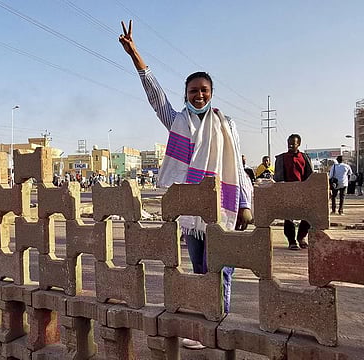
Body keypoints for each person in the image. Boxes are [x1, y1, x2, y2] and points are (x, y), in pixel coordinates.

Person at [119, 20, 253, 350]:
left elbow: (237, 165)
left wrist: (245, 202)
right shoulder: (177, 121)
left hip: (223, 205)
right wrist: (137, 57)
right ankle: (207, 324)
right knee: (198, 268)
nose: (199, 94)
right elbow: (156, 99)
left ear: (211, 93)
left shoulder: (227, 124)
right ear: (186, 94)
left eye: (204, 90)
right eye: (193, 90)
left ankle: (219, 321)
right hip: (192, 212)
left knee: (220, 267)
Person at [274, 134, 313, 250]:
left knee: (308, 216)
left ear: (298, 144)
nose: (291, 146)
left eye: (293, 144)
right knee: (288, 217)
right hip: (287, 191)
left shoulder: (305, 158)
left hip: (303, 191)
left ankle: (301, 238)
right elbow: (277, 178)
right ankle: (291, 241)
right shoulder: (281, 158)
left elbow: (310, 175)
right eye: (289, 143)